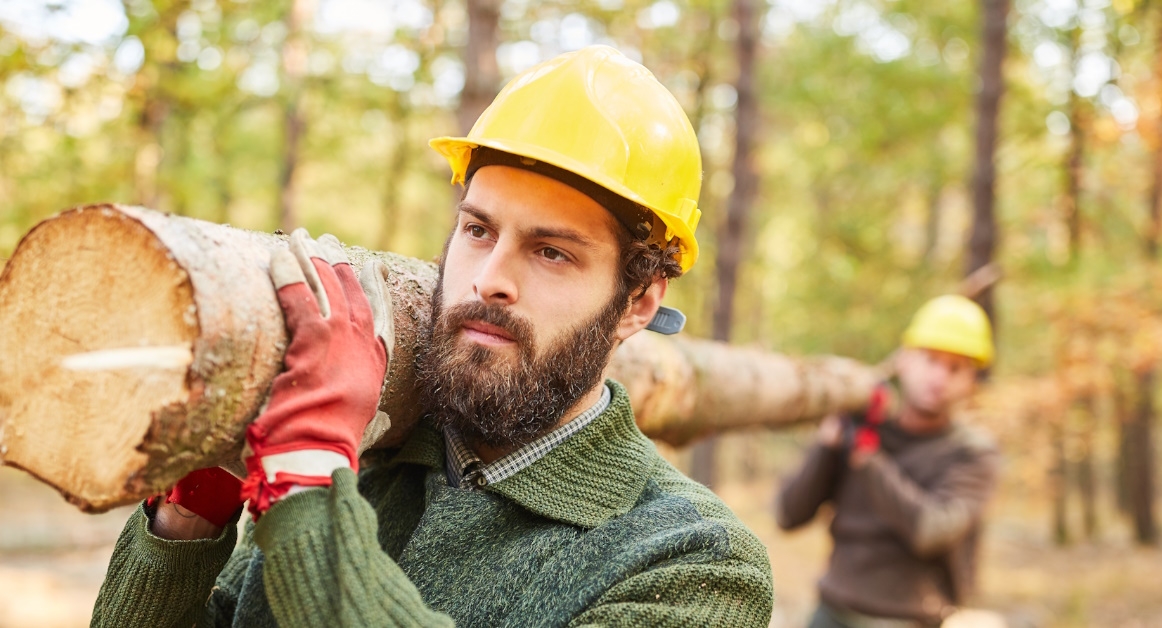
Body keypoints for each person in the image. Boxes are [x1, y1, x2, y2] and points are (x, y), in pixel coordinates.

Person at [91, 46, 773, 627]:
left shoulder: (694, 560)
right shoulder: (365, 455)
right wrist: (189, 520)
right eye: (478, 230)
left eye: (551, 252)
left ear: (638, 302)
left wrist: (307, 486)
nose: (489, 280)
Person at [776, 295, 1000, 628]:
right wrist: (827, 445)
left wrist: (869, 460)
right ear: (904, 360)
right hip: (831, 612)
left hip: (908, 618)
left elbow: (932, 531)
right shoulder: (864, 427)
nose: (939, 377)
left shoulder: (971, 454)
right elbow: (789, 514)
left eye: (955, 368)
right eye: (930, 360)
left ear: (971, 381)